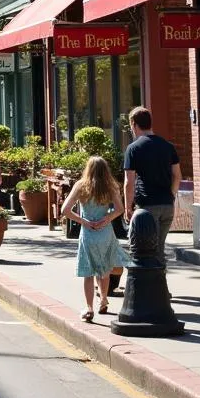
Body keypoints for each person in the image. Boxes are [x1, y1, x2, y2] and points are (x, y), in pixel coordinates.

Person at [62, 155, 131, 321]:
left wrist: (84, 221)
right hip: (105, 231)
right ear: (105, 170)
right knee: (105, 270)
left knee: (89, 272)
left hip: (88, 233)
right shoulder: (110, 186)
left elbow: (65, 209)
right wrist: (106, 219)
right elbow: (120, 209)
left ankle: (89, 307)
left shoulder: (81, 186)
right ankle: (104, 300)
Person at [123, 106, 181, 269]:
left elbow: (129, 182)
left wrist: (128, 207)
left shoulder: (133, 148)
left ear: (134, 124)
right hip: (167, 205)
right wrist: (171, 195)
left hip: (147, 206)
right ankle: (161, 289)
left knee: (142, 250)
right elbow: (177, 176)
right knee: (159, 249)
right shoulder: (168, 146)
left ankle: (149, 289)